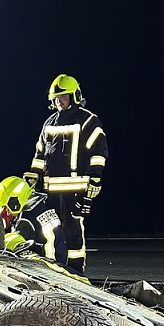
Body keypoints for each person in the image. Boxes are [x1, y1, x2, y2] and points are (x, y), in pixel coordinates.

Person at [23, 74, 106, 272]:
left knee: (73, 232)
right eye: (56, 98)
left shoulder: (88, 120)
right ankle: (58, 269)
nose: (59, 101)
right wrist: (33, 175)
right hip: (51, 191)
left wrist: (95, 178)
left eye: (64, 96)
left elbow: (99, 152)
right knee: (52, 231)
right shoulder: (49, 123)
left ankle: (76, 271)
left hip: (76, 190)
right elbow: (39, 154)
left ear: (75, 96)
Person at [0, 175, 68, 267]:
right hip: (60, 263)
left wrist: (4, 241)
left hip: (46, 267)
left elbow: (18, 243)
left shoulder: (26, 219)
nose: (8, 212)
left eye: (7, 207)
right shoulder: (42, 208)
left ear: (15, 200)